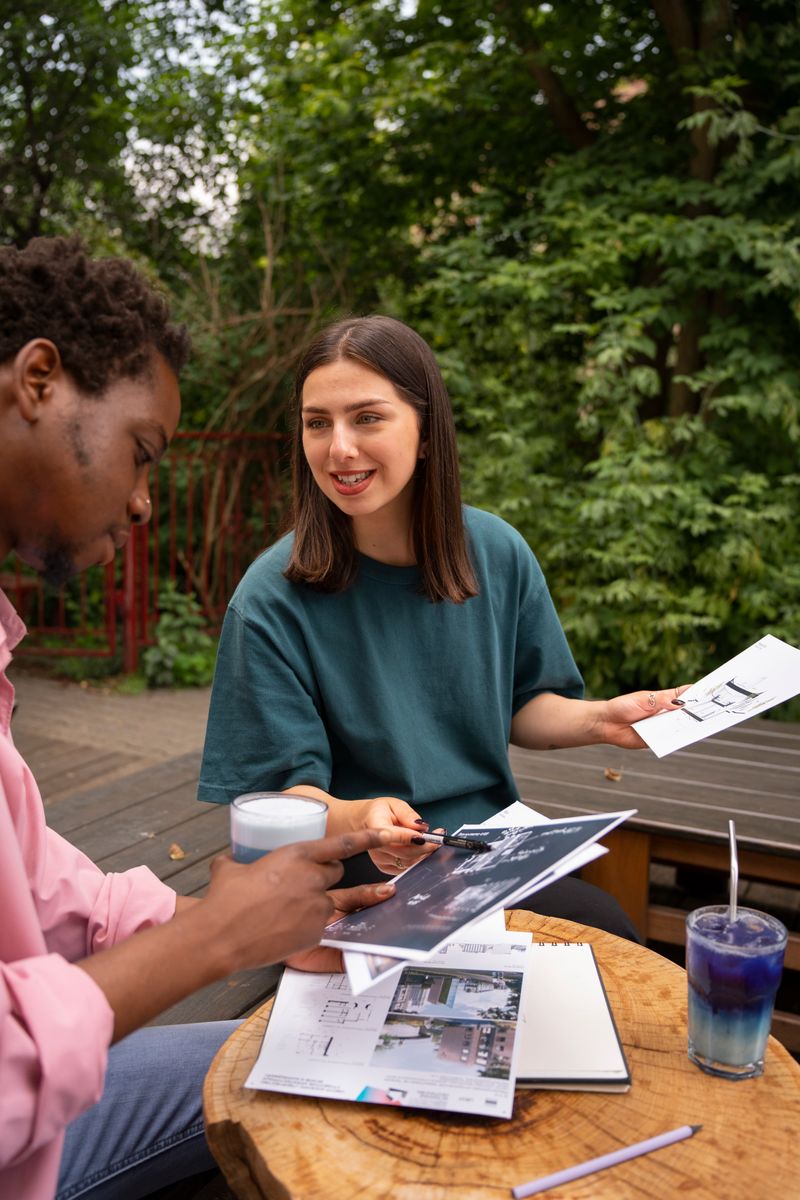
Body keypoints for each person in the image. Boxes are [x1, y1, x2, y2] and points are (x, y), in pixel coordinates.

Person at [0, 239, 408, 1200]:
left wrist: (233, 922)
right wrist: (212, 940)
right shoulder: (276, 588)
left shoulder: (488, 556)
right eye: (143, 454)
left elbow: (39, 881)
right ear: (38, 380)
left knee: (274, 1054)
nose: (146, 503)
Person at [198, 314, 685, 935]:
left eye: (367, 418)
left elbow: (522, 705)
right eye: (317, 423)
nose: (338, 448)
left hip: (489, 851)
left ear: (426, 432)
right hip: (352, 876)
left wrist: (602, 719)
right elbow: (278, 801)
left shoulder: (498, 552)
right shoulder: (269, 599)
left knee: (605, 932)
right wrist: (361, 817)